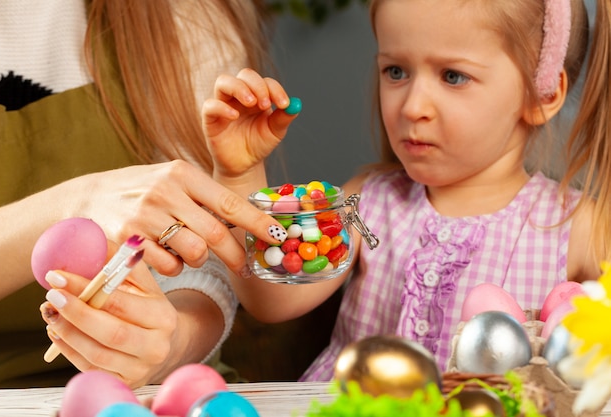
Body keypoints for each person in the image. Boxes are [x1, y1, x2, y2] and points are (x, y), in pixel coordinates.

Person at [201, 0, 611, 380]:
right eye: (396, 71)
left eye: (453, 76)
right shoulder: (367, 203)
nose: (413, 106)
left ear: (543, 94)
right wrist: (240, 174)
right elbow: (271, 299)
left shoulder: (577, 229)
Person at [0, 0, 289, 389]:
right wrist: (77, 203)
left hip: (159, 392)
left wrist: (175, 340)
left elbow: (204, 261)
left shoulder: (181, 11)